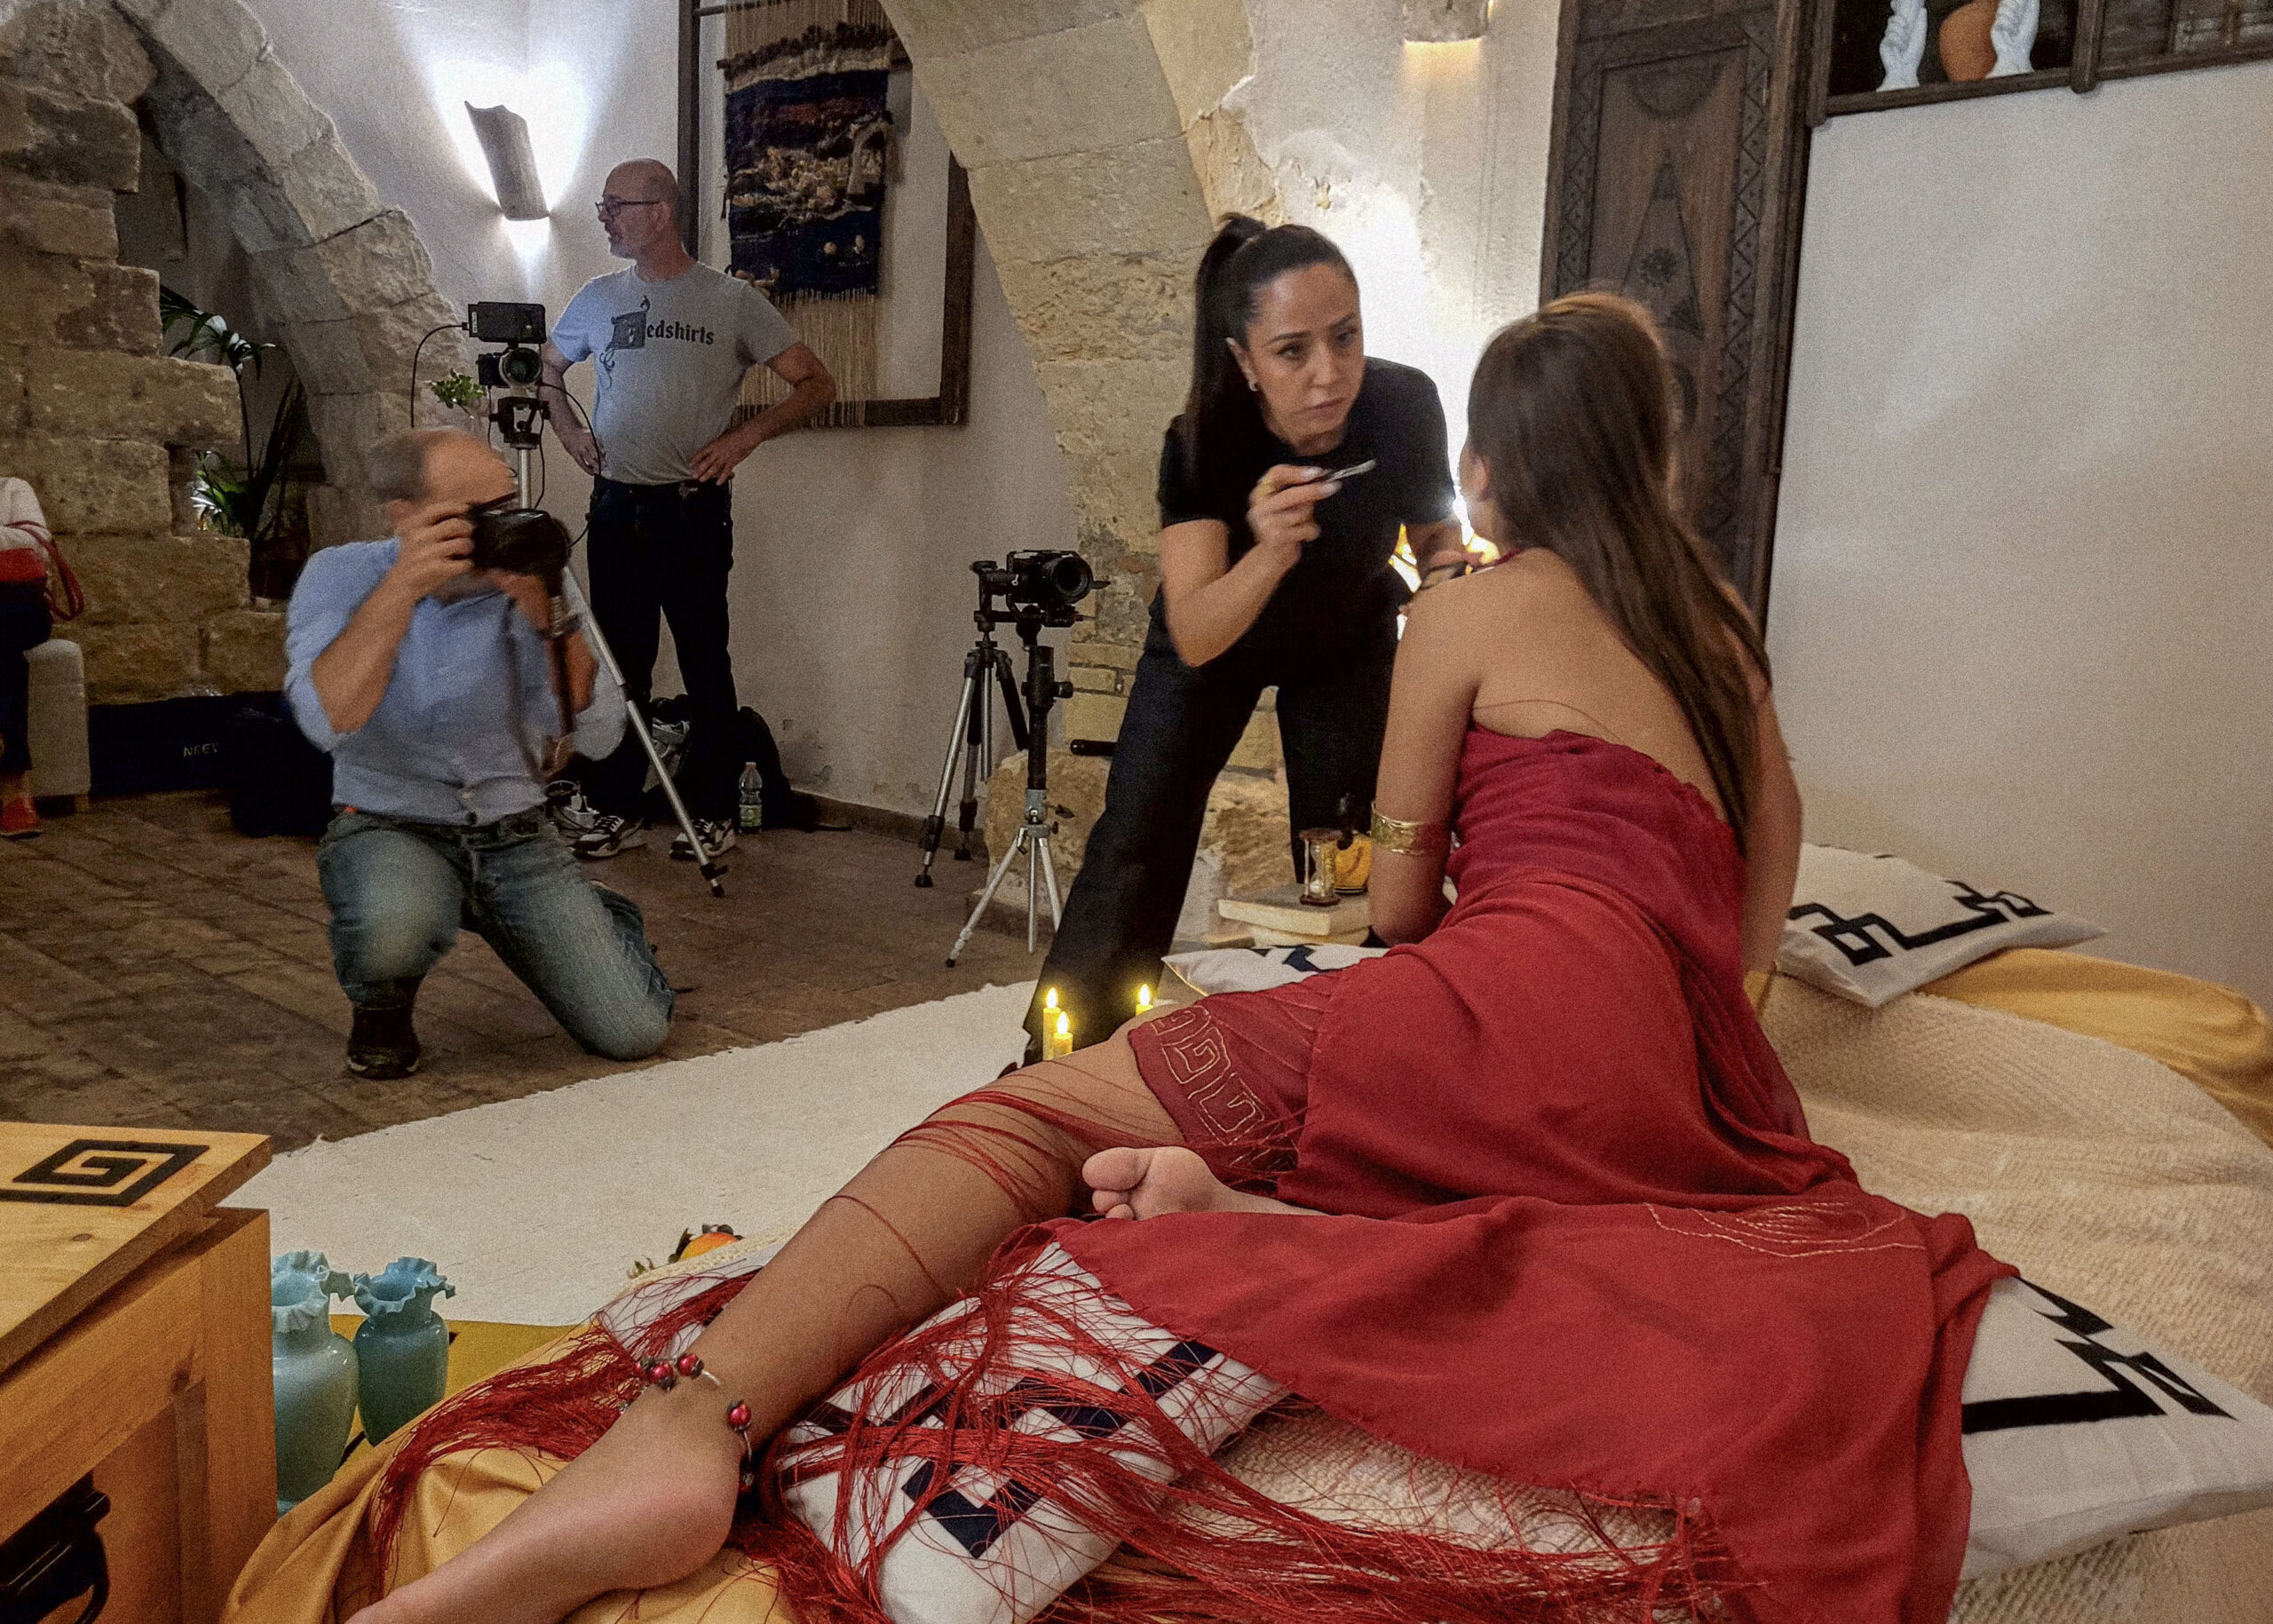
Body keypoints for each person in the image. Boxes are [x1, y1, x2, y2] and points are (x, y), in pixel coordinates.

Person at [230, 297, 2010, 1624]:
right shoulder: (1723, 631)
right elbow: (1755, 906)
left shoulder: (1471, 604)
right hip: (1690, 1077)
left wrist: (1459, 920)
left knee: (1032, 1108)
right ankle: (1270, 1201)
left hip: (1521, 987)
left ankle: (687, 1427)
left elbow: (1402, 906)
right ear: (1657, 450)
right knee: (1370, 1111)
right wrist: (1669, 1022)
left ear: (1490, 463)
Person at [1026, 217, 1471, 1058]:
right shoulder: (1204, 438)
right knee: (1138, 842)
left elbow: (1438, 535)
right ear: (1244, 360)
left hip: (1346, 632)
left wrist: (1449, 584)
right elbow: (1196, 634)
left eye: (1345, 337)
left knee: (1350, 856)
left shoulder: (1404, 402)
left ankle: (1360, 1055)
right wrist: (1268, 550)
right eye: (1292, 351)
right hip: (1217, 633)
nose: (1328, 374)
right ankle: (1067, 1059)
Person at [284, 429, 675, 1080]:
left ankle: (603, 920)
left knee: (634, 1033)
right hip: (390, 824)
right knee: (394, 927)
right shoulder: (341, 573)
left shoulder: (533, 569)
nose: (502, 527)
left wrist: (550, 615)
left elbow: (598, 734)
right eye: (477, 514)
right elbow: (331, 720)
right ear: (405, 515)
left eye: (509, 505)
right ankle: (381, 1004)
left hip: (516, 835)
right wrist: (400, 589)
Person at [540, 158, 836, 863]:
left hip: (691, 511)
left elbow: (815, 383)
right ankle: (616, 804)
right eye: (603, 205)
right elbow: (546, 370)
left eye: (616, 205)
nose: (605, 217)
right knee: (622, 668)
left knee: (705, 663)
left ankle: (712, 808)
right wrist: (569, 429)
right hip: (617, 508)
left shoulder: (730, 301)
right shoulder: (598, 298)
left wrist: (745, 437)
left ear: (661, 211)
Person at [0, 477, 60, 838]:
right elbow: (17, 539)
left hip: (17, 608)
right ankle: (14, 784)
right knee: (4, 654)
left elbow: (37, 543)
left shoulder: (11, 488)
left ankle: (13, 781)